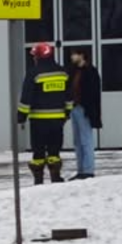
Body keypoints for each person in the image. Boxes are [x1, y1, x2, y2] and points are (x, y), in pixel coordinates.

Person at [17, 41, 72, 185]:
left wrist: (21, 116)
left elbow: (26, 97)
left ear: (38, 57)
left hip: (38, 119)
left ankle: (38, 180)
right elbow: (69, 96)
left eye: (34, 56)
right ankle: (55, 177)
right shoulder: (62, 72)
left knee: (38, 151)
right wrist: (67, 112)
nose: (33, 58)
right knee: (54, 150)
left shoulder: (34, 73)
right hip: (58, 119)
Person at [68, 48, 102, 179]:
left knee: (86, 140)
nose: (72, 57)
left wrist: (92, 111)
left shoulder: (90, 72)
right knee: (77, 141)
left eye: (74, 54)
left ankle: (88, 170)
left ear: (81, 55)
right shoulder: (74, 71)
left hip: (85, 109)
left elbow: (93, 94)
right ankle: (81, 170)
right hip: (74, 107)